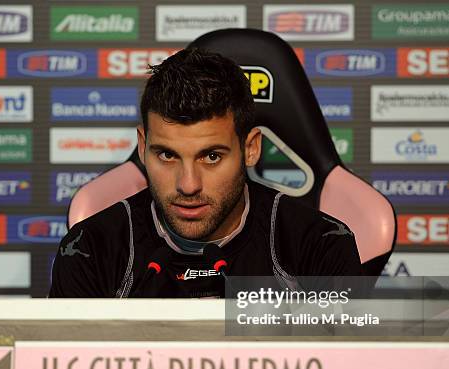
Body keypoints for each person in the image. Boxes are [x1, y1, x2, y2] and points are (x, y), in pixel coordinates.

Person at [49, 47, 362, 298]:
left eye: (211, 156)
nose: (188, 185)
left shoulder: (320, 244)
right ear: (143, 147)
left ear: (251, 148)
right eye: (167, 155)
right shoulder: (90, 249)